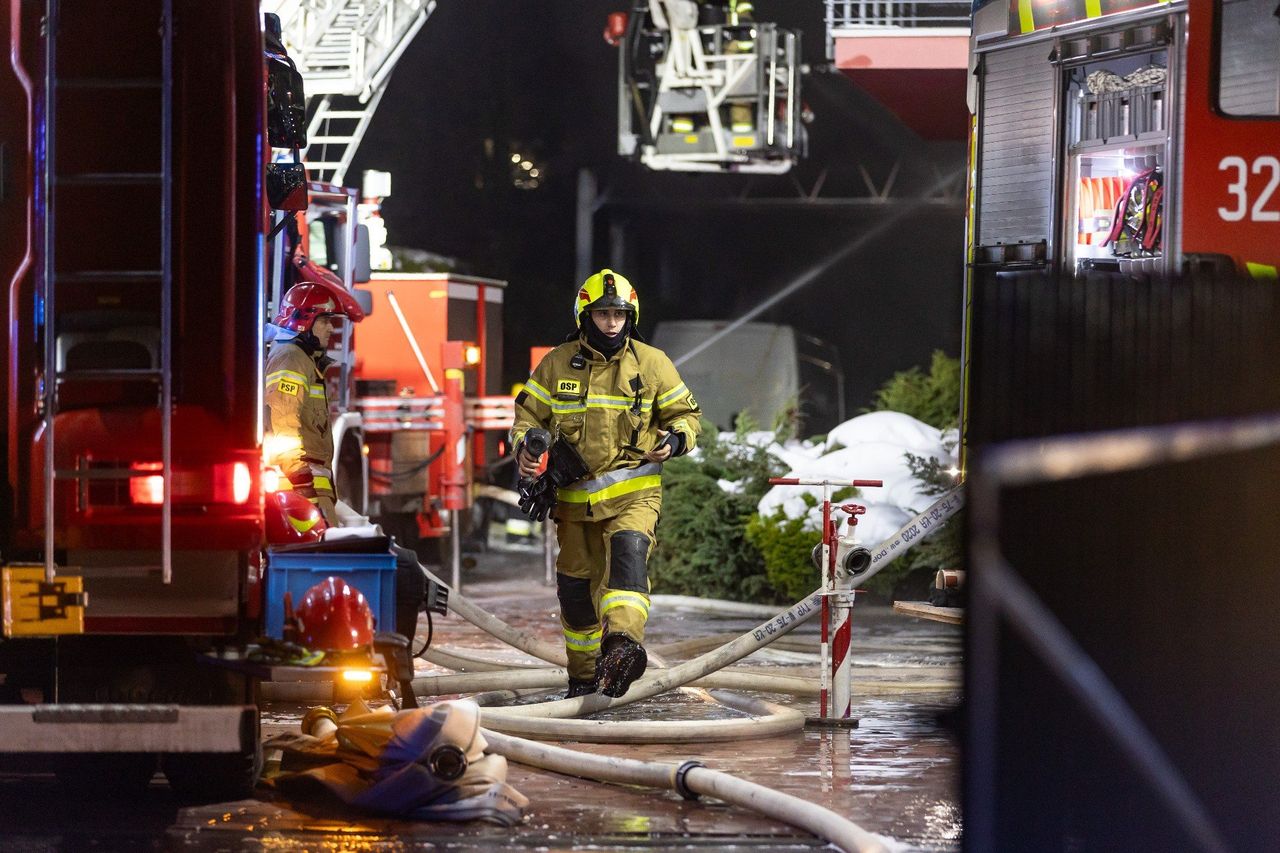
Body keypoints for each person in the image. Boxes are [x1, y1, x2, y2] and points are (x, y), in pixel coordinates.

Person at [511, 269, 702, 698]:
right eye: (602, 314)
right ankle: (583, 679)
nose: (611, 322)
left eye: (619, 313)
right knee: (575, 592)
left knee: (627, 564)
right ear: (585, 316)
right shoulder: (557, 363)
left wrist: (675, 440)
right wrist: (528, 445)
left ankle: (622, 649)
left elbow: (686, 417)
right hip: (573, 504)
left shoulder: (652, 364)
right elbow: (527, 418)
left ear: (630, 315)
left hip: (634, 495)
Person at [264, 272, 364, 526]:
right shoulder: (291, 358)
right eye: (325, 321)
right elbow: (283, 419)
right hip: (301, 486)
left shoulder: (302, 358)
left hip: (308, 485)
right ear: (303, 321)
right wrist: (300, 475)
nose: (331, 328)